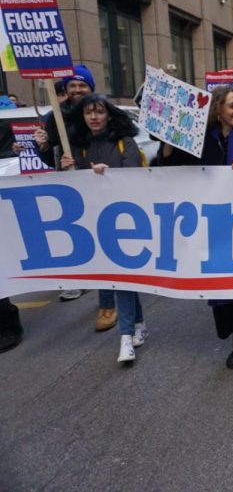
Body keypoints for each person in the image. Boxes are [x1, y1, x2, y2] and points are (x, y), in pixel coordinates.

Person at [158, 85, 233, 384]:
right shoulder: (197, 144)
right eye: (232, 106)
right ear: (217, 109)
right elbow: (168, 173)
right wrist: (168, 147)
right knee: (222, 294)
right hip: (210, 231)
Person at [58, 94, 148, 362]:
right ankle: (140, 325)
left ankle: (125, 337)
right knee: (121, 278)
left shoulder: (124, 142)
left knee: (120, 279)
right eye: (88, 113)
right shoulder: (78, 147)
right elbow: (70, 188)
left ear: (109, 114)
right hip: (93, 223)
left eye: (99, 112)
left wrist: (109, 176)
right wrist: (67, 169)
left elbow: (134, 176)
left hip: (125, 222)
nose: (94, 117)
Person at [34, 65, 101, 303]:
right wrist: (42, 147)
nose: (77, 89)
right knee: (73, 232)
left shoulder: (100, 110)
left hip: (96, 177)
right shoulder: (56, 116)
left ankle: (106, 281)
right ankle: (77, 279)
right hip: (69, 180)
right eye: (72, 85)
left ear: (90, 87)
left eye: (82, 85)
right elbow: (51, 152)